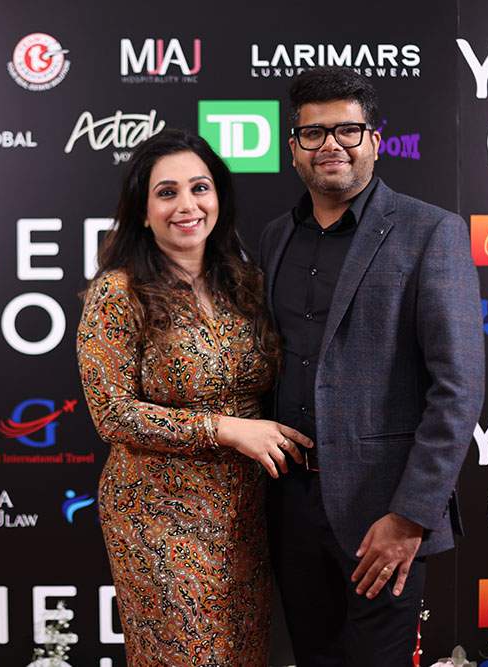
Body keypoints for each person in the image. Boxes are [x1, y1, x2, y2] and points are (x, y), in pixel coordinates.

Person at [260, 67, 485, 665]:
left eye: (348, 130)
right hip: (290, 505)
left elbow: (457, 388)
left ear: (374, 141)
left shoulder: (431, 232)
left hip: (382, 514)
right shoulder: (276, 238)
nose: (331, 145)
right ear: (294, 148)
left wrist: (410, 517)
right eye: (313, 133)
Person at [77, 128, 313, 666]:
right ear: (143, 212)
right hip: (159, 517)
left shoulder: (247, 283)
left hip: (248, 515)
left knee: (243, 655)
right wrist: (223, 429)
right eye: (167, 193)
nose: (187, 205)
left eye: (199, 188)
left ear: (218, 197)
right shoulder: (118, 292)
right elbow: (112, 414)